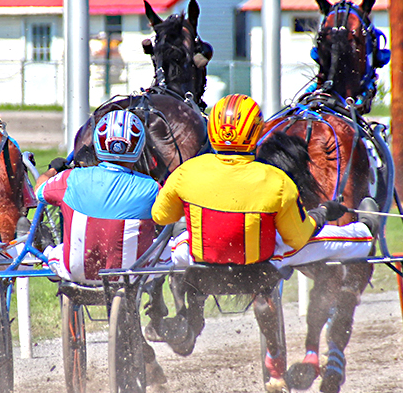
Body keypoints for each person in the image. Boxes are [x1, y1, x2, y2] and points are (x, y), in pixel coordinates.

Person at [150, 94, 379, 372]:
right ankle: (366, 230)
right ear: (255, 132)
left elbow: (160, 216)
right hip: (260, 265)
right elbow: (298, 237)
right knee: (340, 241)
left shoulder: (186, 172)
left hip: (200, 261)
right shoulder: (277, 181)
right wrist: (321, 214)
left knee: (178, 240)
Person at [37, 109, 163, 283]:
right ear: (139, 146)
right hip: (131, 276)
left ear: (98, 141)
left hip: (77, 272)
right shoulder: (152, 188)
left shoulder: (70, 178)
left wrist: (53, 169)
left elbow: (39, 190)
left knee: (54, 251)